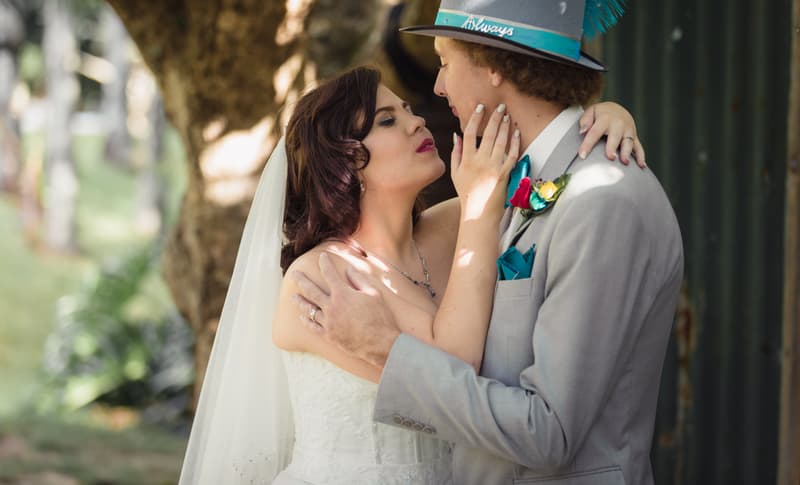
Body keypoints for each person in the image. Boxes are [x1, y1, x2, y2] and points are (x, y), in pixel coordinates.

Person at [291, 0, 684, 485]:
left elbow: (549, 435)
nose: (437, 88)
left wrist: (386, 348)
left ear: (491, 64)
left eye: (446, 63)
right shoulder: (505, 189)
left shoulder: (601, 202)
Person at [177, 62, 641, 483]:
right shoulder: (319, 276)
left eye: (406, 110)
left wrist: (607, 116)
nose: (417, 120)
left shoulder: (452, 226)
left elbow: (546, 170)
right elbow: (453, 368)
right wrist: (479, 207)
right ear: (345, 161)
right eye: (387, 121)